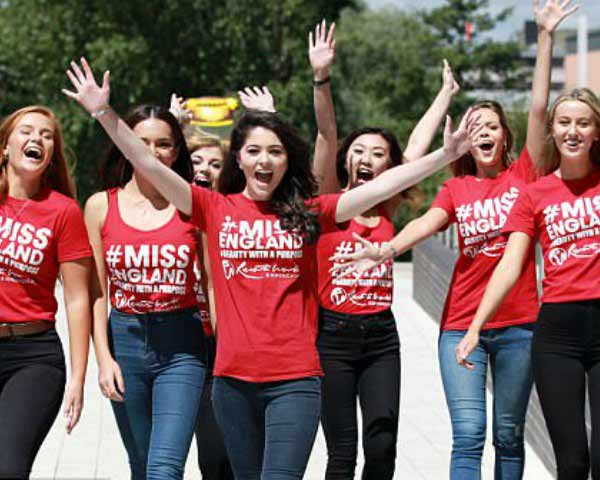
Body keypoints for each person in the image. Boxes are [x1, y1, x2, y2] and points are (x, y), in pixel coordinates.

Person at [63, 56, 479, 479]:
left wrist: (446, 155)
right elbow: (150, 164)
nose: (265, 160)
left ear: (286, 161)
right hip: (231, 382)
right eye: (254, 151)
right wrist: (103, 113)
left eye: (275, 152)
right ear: (238, 158)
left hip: (294, 380)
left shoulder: (311, 212)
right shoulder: (212, 207)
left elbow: (385, 185)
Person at [330, 2, 576, 478]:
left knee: (508, 436)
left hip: (521, 326)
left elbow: (542, 107)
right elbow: (424, 225)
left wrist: (545, 38)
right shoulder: (456, 188)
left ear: (506, 137)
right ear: (464, 139)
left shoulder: (525, 176)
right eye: (473, 126)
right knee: (468, 436)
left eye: (491, 126)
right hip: (460, 324)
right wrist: (386, 249)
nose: (482, 132)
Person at [308, 19, 459, 479]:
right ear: (346, 159)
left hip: (380, 337)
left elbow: (416, 147)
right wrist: (321, 78)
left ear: (387, 166)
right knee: (342, 453)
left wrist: (446, 94)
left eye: (377, 153)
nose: (366, 158)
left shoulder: (389, 201)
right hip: (331, 336)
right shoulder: (329, 201)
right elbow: (327, 132)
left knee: (383, 446)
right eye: (359, 151)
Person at [84, 104, 205, 480]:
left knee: (164, 467)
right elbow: (96, 292)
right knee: (141, 466)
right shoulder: (100, 205)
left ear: (177, 150)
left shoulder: (194, 202)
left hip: (183, 345)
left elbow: (214, 285)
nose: (153, 152)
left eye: (164, 143)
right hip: (125, 341)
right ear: (124, 145)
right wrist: (103, 359)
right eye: (142, 142)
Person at [0, 105, 92, 479]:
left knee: (7, 468)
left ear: (52, 153)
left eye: (47, 135)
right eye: (26, 131)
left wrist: (78, 379)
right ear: (5, 146)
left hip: (33, 355)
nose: (36, 138)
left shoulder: (63, 211)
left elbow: (77, 298)